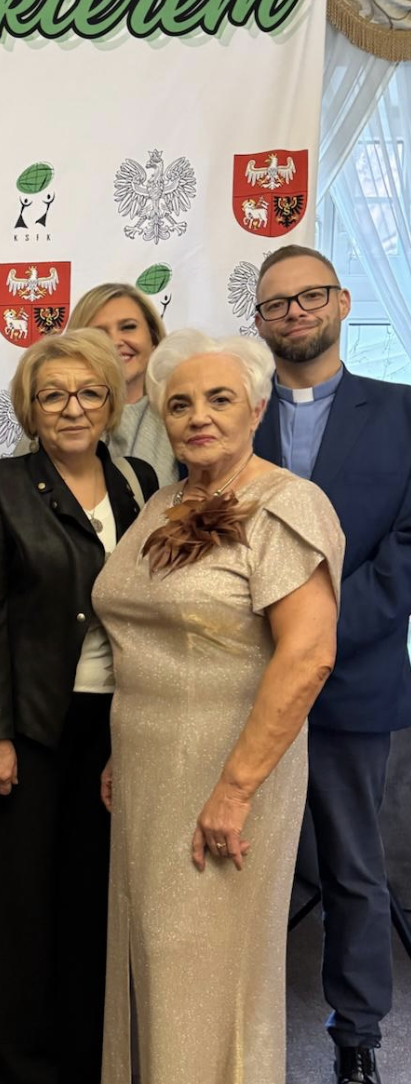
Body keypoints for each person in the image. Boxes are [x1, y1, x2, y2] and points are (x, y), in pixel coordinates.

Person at [93, 329, 345, 1084]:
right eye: (179, 404)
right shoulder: (162, 503)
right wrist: (122, 749)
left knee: (201, 960)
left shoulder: (288, 504)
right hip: (148, 769)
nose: (198, 416)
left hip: (230, 773)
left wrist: (235, 791)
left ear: (257, 409)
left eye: (219, 398)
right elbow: (149, 639)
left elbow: (308, 657)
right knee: (152, 950)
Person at [0, 329, 158, 1084]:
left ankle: (84, 1059)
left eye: (88, 393)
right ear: (30, 409)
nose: (72, 409)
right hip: (31, 721)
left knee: (92, 899)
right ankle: (10, 1067)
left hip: (119, 721)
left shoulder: (140, 481)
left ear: (110, 403)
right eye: (52, 395)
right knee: (16, 909)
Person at [252, 244, 411, 1084]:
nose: (295, 313)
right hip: (248, 679)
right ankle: (234, 1023)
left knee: (352, 867)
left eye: (309, 296)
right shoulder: (235, 414)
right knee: (241, 858)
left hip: (354, 678)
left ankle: (357, 1036)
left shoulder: (403, 411)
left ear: (343, 302)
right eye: (276, 303)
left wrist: (317, 633)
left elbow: (407, 550)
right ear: (260, 322)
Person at [14, 284, 177, 486]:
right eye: (99, 333)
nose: (115, 341)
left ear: (154, 339)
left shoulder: (178, 417)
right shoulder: (49, 422)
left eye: (128, 327)